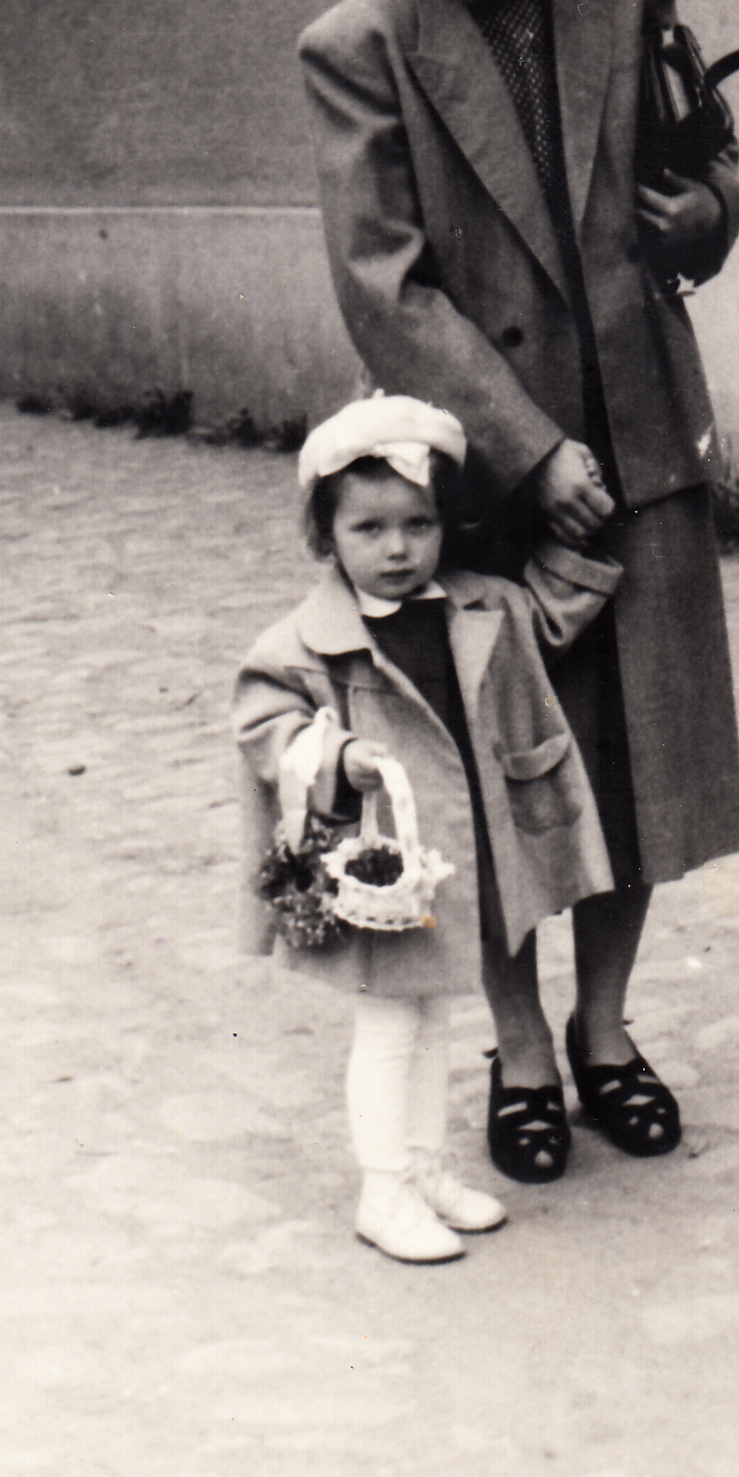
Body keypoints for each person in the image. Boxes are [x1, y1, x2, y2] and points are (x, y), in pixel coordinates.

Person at [298, 0, 739, 1183]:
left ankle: (605, 1032)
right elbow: (383, 285)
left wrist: (709, 216)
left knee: (639, 763)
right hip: (481, 474)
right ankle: (523, 1051)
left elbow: (705, 152)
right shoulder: (359, 46)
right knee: (498, 775)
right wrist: (525, 446)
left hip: (642, 433)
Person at [232, 393, 622, 1263]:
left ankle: (423, 1167)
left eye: (418, 525)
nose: (398, 549)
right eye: (368, 529)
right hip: (377, 868)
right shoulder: (307, 641)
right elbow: (262, 721)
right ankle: (383, 1189)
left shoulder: (479, 606)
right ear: (325, 535)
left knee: (434, 1017)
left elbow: (553, 611)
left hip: (449, 860)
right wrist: (334, 754)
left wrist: (582, 531)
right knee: (387, 1028)